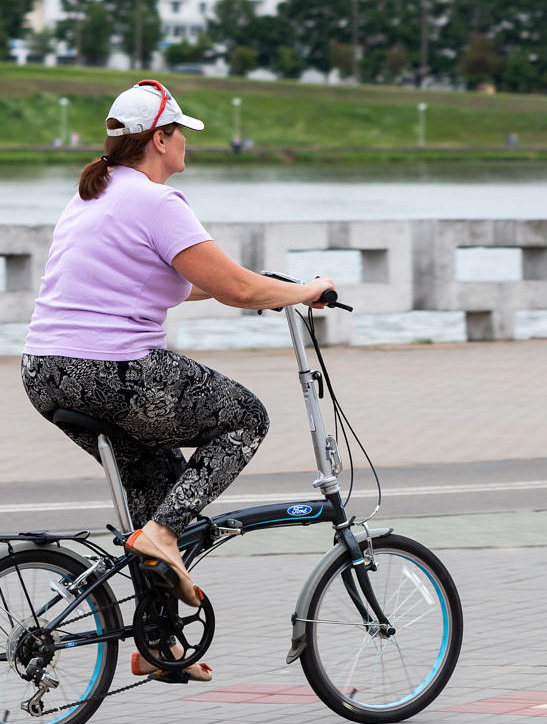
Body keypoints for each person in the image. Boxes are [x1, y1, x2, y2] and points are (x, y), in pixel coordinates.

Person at [20, 80, 334, 682]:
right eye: (180, 132)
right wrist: (303, 292)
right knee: (245, 418)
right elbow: (237, 288)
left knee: (162, 483)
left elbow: (176, 279)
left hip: (46, 372)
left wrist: (248, 289)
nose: (186, 141)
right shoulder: (157, 202)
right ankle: (163, 535)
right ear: (159, 139)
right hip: (113, 371)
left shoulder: (92, 195)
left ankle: (158, 643)